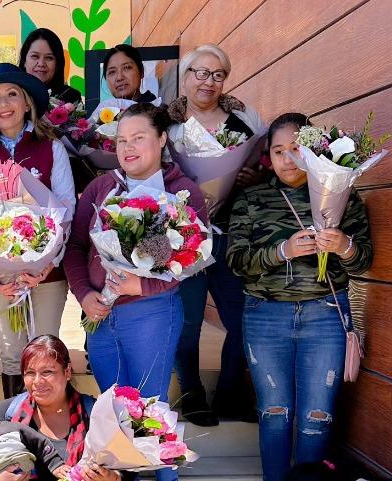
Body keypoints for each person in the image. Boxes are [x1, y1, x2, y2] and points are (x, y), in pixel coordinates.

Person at [64, 103, 206, 481]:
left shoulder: (183, 193)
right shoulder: (100, 187)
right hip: (100, 316)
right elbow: (75, 248)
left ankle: (164, 476)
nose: (127, 148)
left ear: (161, 139)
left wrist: (140, 284)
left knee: (150, 410)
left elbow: (189, 258)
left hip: (152, 313)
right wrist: (84, 294)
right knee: (114, 411)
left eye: (138, 138)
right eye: (121, 140)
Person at [227, 113, 372, 481]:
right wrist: (282, 251)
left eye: (296, 149)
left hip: (326, 314)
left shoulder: (344, 195)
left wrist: (344, 246)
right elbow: (236, 262)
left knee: (316, 418)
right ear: (268, 157)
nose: (287, 160)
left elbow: (364, 259)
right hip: (265, 316)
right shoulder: (251, 199)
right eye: (278, 151)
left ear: (311, 150)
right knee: (275, 413)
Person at [167, 44, 267, 426]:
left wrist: (254, 175)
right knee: (189, 321)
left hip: (232, 234)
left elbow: (267, 158)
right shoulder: (167, 122)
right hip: (184, 237)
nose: (208, 82)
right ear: (186, 76)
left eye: (217, 74)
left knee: (242, 319)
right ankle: (191, 393)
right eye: (200, 73)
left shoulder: (246, 119)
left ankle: (229, 392)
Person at [0, 62, 75, 399]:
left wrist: (44, 266)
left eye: (12, 94)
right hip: (1, 282)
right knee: (12, 353)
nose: (4, 103)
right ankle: (17, 423)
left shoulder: (52, 148)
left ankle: (54, 421)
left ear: (26, 102)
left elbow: (66, 210)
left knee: (45, 349)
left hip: (46, 276)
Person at [0, 335, 134, 481]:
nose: (37, 381)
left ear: (67, 372)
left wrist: (113, 478)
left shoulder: (95, 414)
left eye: (47, 372)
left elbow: (129, 471)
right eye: (30, 373)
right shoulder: (6, 415)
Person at [18, 28, 81, 104]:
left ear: (57, 63)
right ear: (24, 61)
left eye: (49, 58)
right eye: (35, 56)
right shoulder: (12, 94)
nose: (41, 63)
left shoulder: (71, 97)